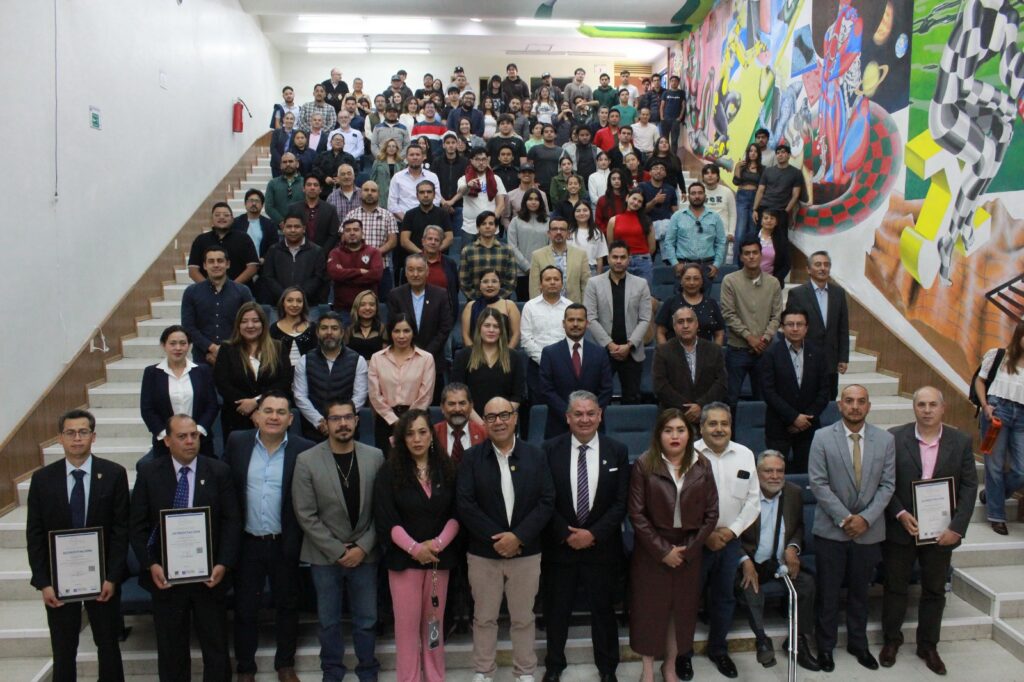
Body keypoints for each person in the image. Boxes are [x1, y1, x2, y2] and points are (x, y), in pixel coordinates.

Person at [129, 414, 240, 682]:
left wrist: (223, 563)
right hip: (166, 578)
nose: (190, 441)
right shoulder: (149, 473)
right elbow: (136, 525)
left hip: (210, 576)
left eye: (194, 435)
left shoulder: (219, 471)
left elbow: (232, 521)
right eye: (182, 436)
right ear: (167, 441)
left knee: (216, 647)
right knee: (171, 650)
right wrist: (151, 564)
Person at [880, 387, 978, 675]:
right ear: (914, 408)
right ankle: (891, 640)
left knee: (935, 590)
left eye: (932, 404)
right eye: (921, 404)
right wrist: (899, 513)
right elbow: (884, 481)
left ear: (943, 408)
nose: (926, 410)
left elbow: (969, 487)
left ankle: (928, 646)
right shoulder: (894, 437)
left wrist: (957, 528)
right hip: (902, 528)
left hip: (941, 532)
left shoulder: (960, 441)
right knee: (895, 587)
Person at [456, 396, 555, 682]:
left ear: (515, 418)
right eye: (491, 417)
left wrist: (518, 537)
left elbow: (547, 500)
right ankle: (483, 671)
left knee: (523, 617)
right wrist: (498, 540)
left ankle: (525, 671)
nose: (498, 422)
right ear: (484, 422)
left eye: (504, 415)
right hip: (483, 553)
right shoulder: (471, 458)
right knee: (484, 618)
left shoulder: (536, 455)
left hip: (526, 552)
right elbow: (465, 504)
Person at [26, 409, 129, 682]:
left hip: (103, 580)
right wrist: (44, 583)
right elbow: (35, 535)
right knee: (63, 651)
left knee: (108, 646)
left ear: (93, 437)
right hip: (59, 582)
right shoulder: (42, 479)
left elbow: (121, 531)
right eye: (70, 433)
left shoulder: (114, 474)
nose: (77, 438)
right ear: (60, 438)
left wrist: (112, 577)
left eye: (83, 432)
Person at [292, 400, 385, 682]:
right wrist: (337, 550)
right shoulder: (307, 460)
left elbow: (383, 511)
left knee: (366, 619)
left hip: (365, 554)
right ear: (325, 423)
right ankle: (332, 672)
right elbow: (305, 513)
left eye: (348, 417)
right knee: (328, 621)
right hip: (324, 555)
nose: (343, 423)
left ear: (357, 421)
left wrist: (362, 547)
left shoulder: (375, 457)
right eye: (335, 418)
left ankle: (367, 670)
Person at [223, 393, 313, 682]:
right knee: (245, 608)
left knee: (287, 605)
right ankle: (246, 668)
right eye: (268, 411)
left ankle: (285, 665)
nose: (274, 417)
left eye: (281, 412)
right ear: (256, 416)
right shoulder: (237, 442)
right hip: (247, 542)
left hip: (284, 541)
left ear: (291, 419)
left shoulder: (303, 449)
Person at [541, 391, 630, 682]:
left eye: (591, 413)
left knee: (603, 612)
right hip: (560, 546)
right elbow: (544, 499)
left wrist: (593, 534)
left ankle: (608, 668)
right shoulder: (548, 449)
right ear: (567, 417)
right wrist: (566, 534)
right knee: (557, 611)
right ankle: (554, 665)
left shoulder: (617, 450)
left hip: (602, 547)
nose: (585, 419)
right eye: (578, 414)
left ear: (600, 416)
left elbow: (621, 503)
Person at [809, 384, 896, 673]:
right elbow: (818, 483)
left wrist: (865, 519)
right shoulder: (822, 437)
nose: (855, 406)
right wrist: (847, 518)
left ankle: (859, 644)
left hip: (869, 531)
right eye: (849, 401)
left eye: (861, 401)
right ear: (839, 405)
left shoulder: (885, 440)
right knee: (828, 593)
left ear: (869, 406)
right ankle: (825, 647)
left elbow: (887, 485)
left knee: (861, 593)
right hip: (832, 530)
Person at [628, 408, 718, 682]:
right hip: (651, 550)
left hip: (689, 549)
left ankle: (669, 667)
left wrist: (688, 550)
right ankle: (647, 671)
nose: (675, 436)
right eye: (668, 430)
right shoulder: (644, 464)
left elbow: (711, 513)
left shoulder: (702, 464)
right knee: (649, 613)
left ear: (689, 434)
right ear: (659, 435)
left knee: (680, 614)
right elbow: (636, 514)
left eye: (680, 430)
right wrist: (663, 551)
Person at [372, 409, 460, 682]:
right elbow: (387, 519)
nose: (417, 439)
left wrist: (437, 545)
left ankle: (434, 676)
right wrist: (415, 549)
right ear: (402, 438)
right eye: (410, 434)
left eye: (422, 432)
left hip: (437, 561)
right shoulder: (389, 472)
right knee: (407, 629)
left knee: (433, 625)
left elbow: (456, 514)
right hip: (404, 564)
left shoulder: (447, 469)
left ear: (431, 435)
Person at [689, 402, 760, 678]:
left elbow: (753, 501)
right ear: (701, 427)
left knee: (724, 598)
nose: (719, 429)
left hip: (730, 540)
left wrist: (731, 532)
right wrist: (705, 534)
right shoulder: (688, 454)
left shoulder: (745, 454)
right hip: (697, 541)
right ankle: (682, 653)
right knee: (688, 599)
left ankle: (718, 649)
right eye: (713, 424)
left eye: (724, 424)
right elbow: (680, 500)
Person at [738, 450, 820, 672]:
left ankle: (798, 639)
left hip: (779, 561)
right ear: (757, 473)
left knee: (806, 584)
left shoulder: (793, 492)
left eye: (779, 471)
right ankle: (762, 640)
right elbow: (730, 533)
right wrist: (744, 561)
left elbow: (798, 528)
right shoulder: (743, 494)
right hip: (751, 561)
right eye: (768, 471)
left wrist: (793, 548)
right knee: (750, 588)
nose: (775, 476)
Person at [759, 308, 831, 473]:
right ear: (782, 328)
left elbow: (824, 391)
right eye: (790, 324)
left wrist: (805, 420)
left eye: (799, 324)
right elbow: (768, 392)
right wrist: (793, 417)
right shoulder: (770, 354)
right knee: (775, 475)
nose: (795, 328)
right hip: (778, 427)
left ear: (807, 327)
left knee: (807, 475)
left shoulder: (818, 353)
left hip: (809, 428)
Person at [584, 240, 652, 404]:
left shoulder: (641, 284)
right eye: (615, 257)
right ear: (608, 258)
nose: (619, 261)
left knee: (632, 399)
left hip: (632, 352)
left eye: (623, 257)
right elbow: (590, 317)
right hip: (603, 351)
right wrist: (610, 345)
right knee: (599, 400)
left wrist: (629, 345)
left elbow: (645, 319)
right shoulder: (593, 283)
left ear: (629, 259)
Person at [213, 302, 292, 441]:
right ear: (238, 325)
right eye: (244, 321)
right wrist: (251, 412)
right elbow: (223, 384)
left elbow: (284, 382)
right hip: (236, 418)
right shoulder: (227, 349)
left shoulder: (278, 348)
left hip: (273, 418)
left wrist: (257, 402)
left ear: (263, 324)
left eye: (255, 321)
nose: (250, 325)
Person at [720, 238, 783, 412]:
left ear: (761, 255)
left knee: (764, 400)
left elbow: (777, 316)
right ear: (741, 257)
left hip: (765, 351)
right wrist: (749, 337)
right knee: (730, 401)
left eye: (755, 253)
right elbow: (728, 314)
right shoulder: (730, 281)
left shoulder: (773, 283)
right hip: (737, 350)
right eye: (747, 253)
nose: (751, 256)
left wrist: (765, 338)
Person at [975, 320, 1024, 535]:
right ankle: (997, 516)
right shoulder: (999, 355)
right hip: (997, 411)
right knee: (994, 466)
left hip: (1022, 417)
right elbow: (980, 381)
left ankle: (992, 495)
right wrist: (985, 405)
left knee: (1021, 471)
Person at [140, 326, 219, 458]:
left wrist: (197, 432)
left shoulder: (202, 371)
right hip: (165, 444)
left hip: (200, 442)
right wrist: (167, 436)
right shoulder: (152, 373)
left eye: (183, 343)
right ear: (163, 345)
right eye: (173, 343)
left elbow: (212, 405)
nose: (178, 348)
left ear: (189, 346)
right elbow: (147, 409)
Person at [539, 304, 613, 439]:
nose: (575, 324)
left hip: (593, 428)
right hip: (559, 427)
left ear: (587, 323)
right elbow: (546, 390)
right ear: (563, 323)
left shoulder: (600, 353)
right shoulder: (549, 353)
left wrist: (590, 415)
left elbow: (606, 389)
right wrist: (570, 415)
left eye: (579, 320)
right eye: (571, 320)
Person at [292, 311, 369, 441]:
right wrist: (319, 421)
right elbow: (300, 396)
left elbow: (360, 396)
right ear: (317, 333)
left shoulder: (358, 360)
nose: (329, 332)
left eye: (334, 328)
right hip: (314, 431)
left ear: (342, 333)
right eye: (324, 328)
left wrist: (340, 420)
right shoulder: (304, 360)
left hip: (346, 430)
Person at [387, 253, 454, 398]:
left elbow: (445, 327)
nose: (415, 274)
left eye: (420, 270)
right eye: (411, 270)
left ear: (427, 272)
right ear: (405, 272)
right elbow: (393, 327)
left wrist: (425, 354)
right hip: (403, 361)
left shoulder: (440, 294)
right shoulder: (396, 295)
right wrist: (411, 353)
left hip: (433, 360)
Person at [788, 250, 850, 399]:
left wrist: (843, 357)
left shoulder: (839, 293)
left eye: (826, 265)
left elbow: (843, 328)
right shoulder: (797, 294)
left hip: (830, 360)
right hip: (805, 358)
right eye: (818, 264)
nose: (823, 268)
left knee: (830, 399)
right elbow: (791, 328)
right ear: (808, 269)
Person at [368, 314, 435, 448]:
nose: (401, 336)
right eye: (396, 331)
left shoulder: (426, 358)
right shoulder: (377, 358)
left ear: (413, 332)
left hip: (417, 419)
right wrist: (394, 420)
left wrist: (408, 421)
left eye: (406, 331)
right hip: (386, 420)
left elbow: (426, 395)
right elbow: (375, 395)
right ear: (390, 332)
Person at [181, 245, 254, 365]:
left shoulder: (242, 291)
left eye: (220, 261)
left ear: (228, 264)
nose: (216, 265)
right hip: (203, 357)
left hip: (237, 355)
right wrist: (212, 348)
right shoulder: (191, 292)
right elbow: (188, 327)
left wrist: (226, 349)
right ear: (205, 265)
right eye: (211, 261)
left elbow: (249, 324)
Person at [453, 309, 528, 424]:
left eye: (496, 326)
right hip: (472, 422)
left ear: (501, 330)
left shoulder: (514, 357)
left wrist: (499, 419)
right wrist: (482, 424)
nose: (491, 330)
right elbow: (459, 395)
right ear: (479, 328)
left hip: (503, 422)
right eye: (487, 325)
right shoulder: (463, 356)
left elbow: (518, 396)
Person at [652, 306, 728, 419]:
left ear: (697, 324)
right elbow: (660, 386)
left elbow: (721, 383)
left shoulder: (714, 350)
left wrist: (701, 406)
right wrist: (687, 409)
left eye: (689, 321)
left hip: (707, 416)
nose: (685, 326)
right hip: (673, 416)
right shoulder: (662, 351)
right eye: (680, 322)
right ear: (674, 327)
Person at [521, 267, 574, 399]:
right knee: (538, 407)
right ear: (540, 284)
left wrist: (559, 361)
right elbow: (526, 339)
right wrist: (545, 361)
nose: (552, 282)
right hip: (538, 366)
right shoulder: (530, 306)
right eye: (548, 279)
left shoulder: (570, 307)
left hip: (565, 365)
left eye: (556, 279)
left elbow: (574, 337)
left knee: (566, 405)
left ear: (562, 283)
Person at [662, 183, 726, 290]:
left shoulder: (715, 217)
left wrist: (716, 265)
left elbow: (721, 242)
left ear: (705, 196)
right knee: (681, 299)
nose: (697, 196)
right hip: (683, 266)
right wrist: (675, 264)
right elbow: (669, 242)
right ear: (688, 196)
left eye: (700, 193)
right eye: (693, 193)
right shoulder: (677, 216)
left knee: (705, 299)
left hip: (707, 266)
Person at [258, 208, 327, 305]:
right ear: (283, 228)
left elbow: (318, 278)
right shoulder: (273, 250)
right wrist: (285, 296)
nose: (293, 230)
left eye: (297, 226)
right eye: (289, 226)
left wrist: (299, 296)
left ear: (304, 229)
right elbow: (268, 277)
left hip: (309, 305)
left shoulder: (316, 251)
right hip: (279, 304)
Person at [187, 202, 259, 285]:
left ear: (232, 219)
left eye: (226, 215)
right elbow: (193, 270)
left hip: (239, 290)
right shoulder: (200, 240)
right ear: (211, 219)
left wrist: (232, 288)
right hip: (208, 291)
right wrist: (208, 288)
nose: (221, 217)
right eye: (217, 215)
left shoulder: (244, 238)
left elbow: (253, 267)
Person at [654, 263, 725, 345]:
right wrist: (665, 351)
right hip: (674, 352)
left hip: (706, 352)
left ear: (702, 281)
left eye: (696, 279)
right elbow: (660, 332)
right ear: (681, 281)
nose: (692, 282)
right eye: (687, 278)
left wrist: (715, 352)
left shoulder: (711, 303)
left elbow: (719, 333)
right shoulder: (670, 302)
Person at [327, 218, 384, 319]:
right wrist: (360, 271)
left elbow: (376, 275)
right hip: (343, 309)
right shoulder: (335, 253)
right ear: (343, 234)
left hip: (368, 309)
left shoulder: (374, 252)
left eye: (356, 230)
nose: (352, 233)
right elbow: (334, 274)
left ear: (362, 233)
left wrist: (344, 276)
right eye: (348, 230)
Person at [529, 217, 591, 305]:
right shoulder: (537, 255)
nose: (558, 232)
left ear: (568, 234)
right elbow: (534, 288)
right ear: (549, 233)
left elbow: (586, 285)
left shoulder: (581, 255)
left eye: (562, 229)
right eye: (554, 229)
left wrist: (583, 309)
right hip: (546, 307)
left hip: (574, 307)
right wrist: (536, 308)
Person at [459, 211, 517, 300]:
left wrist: (497, 300)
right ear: (478, 227)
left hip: (501, 303)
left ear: (496, 227)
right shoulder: (467, 251)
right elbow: (463, 280)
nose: (487, 226)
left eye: (491, 223)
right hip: (475, 303)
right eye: (483, 224)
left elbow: (511, 280)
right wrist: (478, 301)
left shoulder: (507, 250)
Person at [451, 147, 507, 238]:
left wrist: (491, 221)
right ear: (471, 161)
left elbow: (501, 205)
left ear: (488, 160)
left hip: (490, 228)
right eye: (477, 159)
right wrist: (468, 186)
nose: (481, 163)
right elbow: (461, 192)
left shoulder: (496, 179)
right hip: (470, 228)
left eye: (484, 159)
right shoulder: (464, 179)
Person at [606, 190, 656, 287]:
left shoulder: (647, 221)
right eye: (634, 199)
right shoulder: (613, 220)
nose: (636, 203)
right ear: (627, 198)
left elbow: (652, 247)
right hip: (621, 261)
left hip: (643, 262)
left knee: (643, 293)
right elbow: (611, 245)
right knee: (621, 292)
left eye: (640, 201)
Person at [507, 187, 551, 299]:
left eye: (536, 199)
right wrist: (527, 267)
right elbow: (512, 247)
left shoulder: (548, 221)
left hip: (544, 271)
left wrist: (543, 268)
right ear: (525, 201)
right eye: (530, 199)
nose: (533, 202)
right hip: (522, 273)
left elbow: (551, 246)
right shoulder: (516, 221)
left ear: (541, 202)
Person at [752, 142, 806, 232]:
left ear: (789, 155)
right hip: (764, 208)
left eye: (783, 152)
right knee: (761, 237)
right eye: (777, 153)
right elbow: (760, 191)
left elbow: (795, 195)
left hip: (781, 210)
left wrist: (786, 212)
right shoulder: (768, 171)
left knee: (780, 238)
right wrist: (755, 209)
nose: (780, 155)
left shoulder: (796, 173)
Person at [461, 270, 521, 348]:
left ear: (499, 285)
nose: (490, 285)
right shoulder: (470, 306)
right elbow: (465, 335)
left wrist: (507, 352)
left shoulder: (509, 305)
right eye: (485, 282)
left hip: (504, 352)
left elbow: (516, 334)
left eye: (494, 281)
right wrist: (474, 353)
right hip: (475, 352)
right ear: (480, 285)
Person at [399, 182, 454, 267]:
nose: (425, 195)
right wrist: (422, 254)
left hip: (439, 262)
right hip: (416, 262)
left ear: (434, 195)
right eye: (422, 192)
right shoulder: (410, 215)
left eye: (429, 192)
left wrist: (433, 252)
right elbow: (404, 241)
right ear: (417, 196)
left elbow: (449, 238)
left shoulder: (443, 214)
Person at [288, 175, 341, 254]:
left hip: (323, 254)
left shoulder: (330, 209)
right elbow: (290, 232)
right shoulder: (293, 209)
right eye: (309, 185)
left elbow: (333, 235)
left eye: (315, 185)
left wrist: (322, 253)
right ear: (303, 189)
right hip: (298, 254)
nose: (312, 188)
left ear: (320, 189)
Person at [435, 383, 488, 461]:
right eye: (451, 404)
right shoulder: (433, 434)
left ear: (471, 406)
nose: (457, 409)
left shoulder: (484, 434)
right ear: (442, 408)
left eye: (462, 403)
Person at [387, 146, 441, 221]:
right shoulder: (397, 177)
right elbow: (392, 204)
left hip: (428, 221)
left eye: (418, 154)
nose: (415, 157)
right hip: (403, 221)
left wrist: (425, 219)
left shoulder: (432, 177)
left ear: (423, 157)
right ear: (406, 158)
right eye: (411, 155)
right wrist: (407, 221)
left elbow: (436, 201)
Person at [270, 286, 318, 366]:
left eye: (299, 301)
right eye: (290, 300)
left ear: (303, 304)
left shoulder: (312, 328)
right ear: (283, 303)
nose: (295, 305)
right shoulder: (274, 328)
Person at [731, 143, 763, 259]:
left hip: (756, 198)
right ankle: (736, 263)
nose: (753, 153)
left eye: (755, 151)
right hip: (742, 197)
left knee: (752, 231)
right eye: (750, 151)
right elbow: (736, 182)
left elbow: (762, 187)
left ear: (758, 153)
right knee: (740, 231)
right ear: (747, 153)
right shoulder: (742, 166)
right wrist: (737, 168)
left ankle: (751, 260)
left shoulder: (762, 169)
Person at [231, 188, 278, 261]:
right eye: (251, 201)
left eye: (257, 201)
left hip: (262, 264)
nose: (254, 204)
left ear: (262, 205)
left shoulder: (269, 225)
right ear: (245, 204)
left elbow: (274, 246)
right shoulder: (236, 223)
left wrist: (264, 258)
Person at [343, 290, 388, 362]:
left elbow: (385, 356)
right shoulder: (349, 330)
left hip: (377, 367)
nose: (367, 308)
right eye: (363, 304)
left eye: (372, 304)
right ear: (356, 307)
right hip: (354, 367)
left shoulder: (383, 329)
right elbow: (345, 356)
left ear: (376, 307)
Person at [502, 162, 550, 229]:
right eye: (523, 172)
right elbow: (505, 217)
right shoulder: (510, 195)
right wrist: (511, 230)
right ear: (519, 175)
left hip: (538, 230)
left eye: (530, 172)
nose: (527, 174)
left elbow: (546, 215)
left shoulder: (542, 194)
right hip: (517, 230)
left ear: (534, 175)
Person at [639, 161, 678, 239]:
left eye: (662, 169)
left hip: (666, 227)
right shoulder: (642, 186)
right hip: (647, 226)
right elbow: (640, 210)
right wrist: (655, 201)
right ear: (650, 172)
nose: (658, 171)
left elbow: (675, 211)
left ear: (665, 173)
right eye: (655, 168)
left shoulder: (670, 189)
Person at [701, 165, 737, 248]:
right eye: (707, 173)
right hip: (703, 235)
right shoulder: (699, 192)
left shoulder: (727, 192)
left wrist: (731, 232)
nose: (710, 175)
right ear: (703, 177)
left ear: (718, 176)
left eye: (713, 173)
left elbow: (733, 214)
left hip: (723, 235)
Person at [567, 203, 608, 274]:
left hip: (591, 269)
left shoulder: (597, 232)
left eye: (585, 210)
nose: (581, 213)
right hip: (570, 269)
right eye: (578, 211)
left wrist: (598, 276)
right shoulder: (568, 232)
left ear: (590, 212)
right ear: (573, 213)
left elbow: (599, 258)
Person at [265, 152, 304, 225]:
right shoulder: (272, 184)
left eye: (291, 161)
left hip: (300, 227)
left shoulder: (305, 183)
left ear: (297, 164)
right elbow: (268, 207)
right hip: (278, 228)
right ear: (280, 165)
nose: (288, 164)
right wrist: (281, 222)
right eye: (284, 162)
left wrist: (298, 223)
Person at [314, 133, 357, 197]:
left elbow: (355, 172)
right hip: (324, 189)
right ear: (331, 142)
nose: (338, 141)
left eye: (340, 140)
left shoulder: (349, 157)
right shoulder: (322, 155)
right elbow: (315, 169)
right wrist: (324, 177)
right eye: (336, 139)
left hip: (343, 190)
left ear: (344, 143)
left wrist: (342, 180)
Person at [756, 208, 790, 286]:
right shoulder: (751, 237)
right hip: (751, 281)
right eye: (766, 218)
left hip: (772, 283)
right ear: (761, 221)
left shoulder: (782, 241)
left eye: (772, 218)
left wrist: (775, 280)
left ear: (776, 222)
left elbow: (787, 264)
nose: (769, 220)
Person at [370, 138, 406, 209]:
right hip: (381, 194)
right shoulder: (378, 162)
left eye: (393, 146)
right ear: (385, 148)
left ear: (396, 149)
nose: (391, 148)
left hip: (397, 193)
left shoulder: (401, 163)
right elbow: (372, 179)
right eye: (389, 146)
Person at [528, 124, 564, 192]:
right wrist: (532, 182)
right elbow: (529, 168)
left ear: (555, 135)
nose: (549, 133)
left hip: (556, 186)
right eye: (546, 132)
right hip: (538, 186)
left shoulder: (561, 151)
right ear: (542, 135)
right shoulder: (535, 149)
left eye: (551, 131)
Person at [659, 75, 686, 152]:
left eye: (676, 81)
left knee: (674, 141)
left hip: (675, 121)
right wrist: (662, 118)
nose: (674, 82)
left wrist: (679, 118)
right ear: (670, 82)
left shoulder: (681, 93)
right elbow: (662, 106)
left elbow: (683, 106)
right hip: (665, 120)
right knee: (664, 140)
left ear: (678, 83)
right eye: (672, 81)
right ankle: (665, 154)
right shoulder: (665, 93)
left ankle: (673, 156)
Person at [270, 112, 297, 179]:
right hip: (277, 165)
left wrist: (290, 161)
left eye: (291, 119)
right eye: (287, 118)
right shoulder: (277, 132)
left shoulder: (296, 133)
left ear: (294, 121)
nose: (289, 120)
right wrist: (282, 161)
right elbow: (273, 148)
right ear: (283, 120)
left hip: (291, 165)